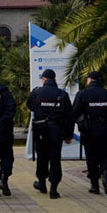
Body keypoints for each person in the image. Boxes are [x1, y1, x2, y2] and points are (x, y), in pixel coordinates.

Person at [27, 69, 74, 199]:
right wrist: (68, 135)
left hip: (40, 130)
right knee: (55, 159)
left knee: (41, 157)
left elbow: (30, 106)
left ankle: (42, 183)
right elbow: (69, 116)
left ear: (43, 79)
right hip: (56, 130)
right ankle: (54, 189)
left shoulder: (36, 92)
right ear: (54, 80)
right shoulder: (62, 94)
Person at [73, 71, 107, 195]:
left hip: (89, 130)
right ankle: (106, 173)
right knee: (106, 153)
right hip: (105, 129)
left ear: (89, 80)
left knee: (91, 156)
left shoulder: (83, 94)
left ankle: (94, 185)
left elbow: (75, 112)